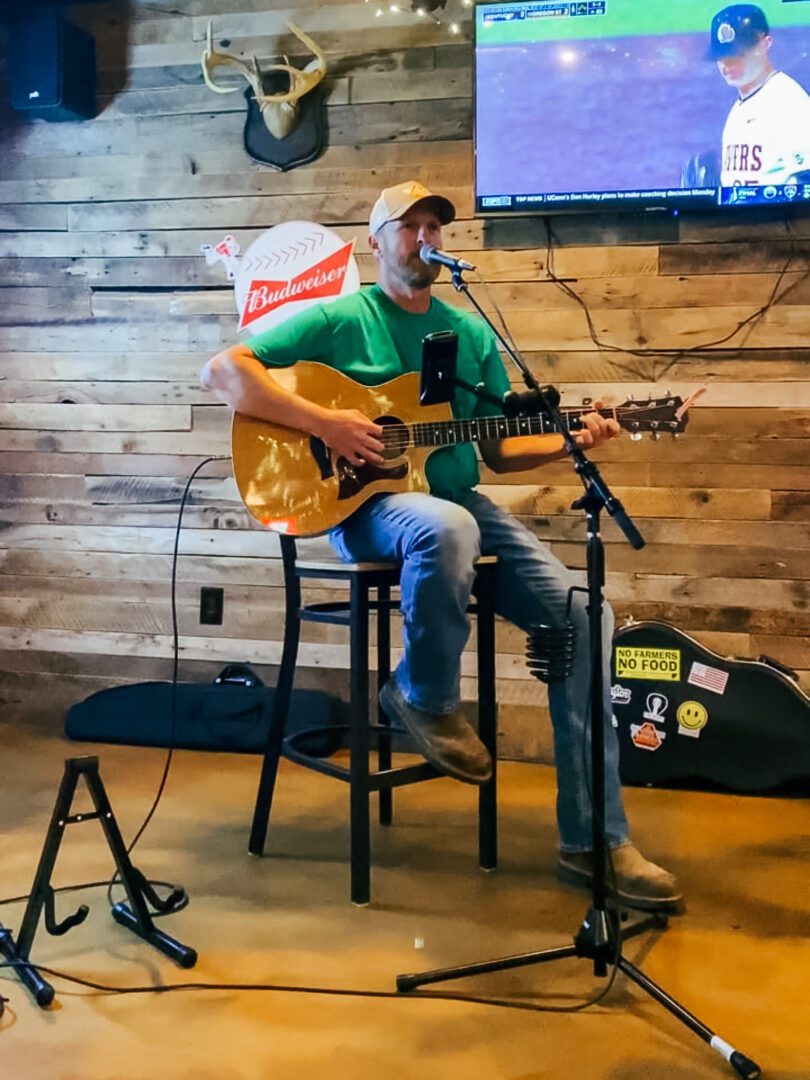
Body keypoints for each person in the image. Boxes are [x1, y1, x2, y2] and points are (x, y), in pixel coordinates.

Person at [202, 180, 682, 912]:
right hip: (366, 510)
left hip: (454, 497)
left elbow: (496, 451)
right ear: (376, 241)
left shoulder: (470, 334)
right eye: (410, 225)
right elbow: (225, 372)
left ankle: (593, 841)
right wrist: (329, 425)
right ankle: (422, 693)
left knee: (586, 615)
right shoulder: (339, 318)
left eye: (435, 226)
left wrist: (572, 441)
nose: (425, 236)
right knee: (444, 527)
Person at [709, 4, 810, 188]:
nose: (728, 64)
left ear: (765, 44)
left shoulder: (788, 101)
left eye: (738, 54)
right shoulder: (738, 110)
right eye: (722, 55)